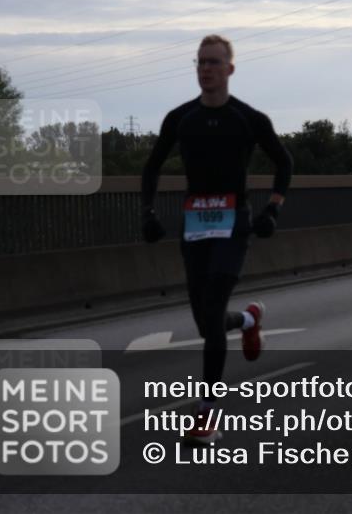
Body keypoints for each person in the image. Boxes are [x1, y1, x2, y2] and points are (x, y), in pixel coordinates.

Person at [141, 34, 294, 444]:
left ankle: (207, 414)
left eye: (213, 62)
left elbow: (284, 162)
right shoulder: (181, 118)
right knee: (206, 319)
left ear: (229, 69)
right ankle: (247, 320)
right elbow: (152, 166)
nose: (205, 68)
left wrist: (272, 209)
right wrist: (148, 212)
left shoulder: (247, 118)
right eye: (200, 62)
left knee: (210, 316)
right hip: (195, 226)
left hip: (233, 224)